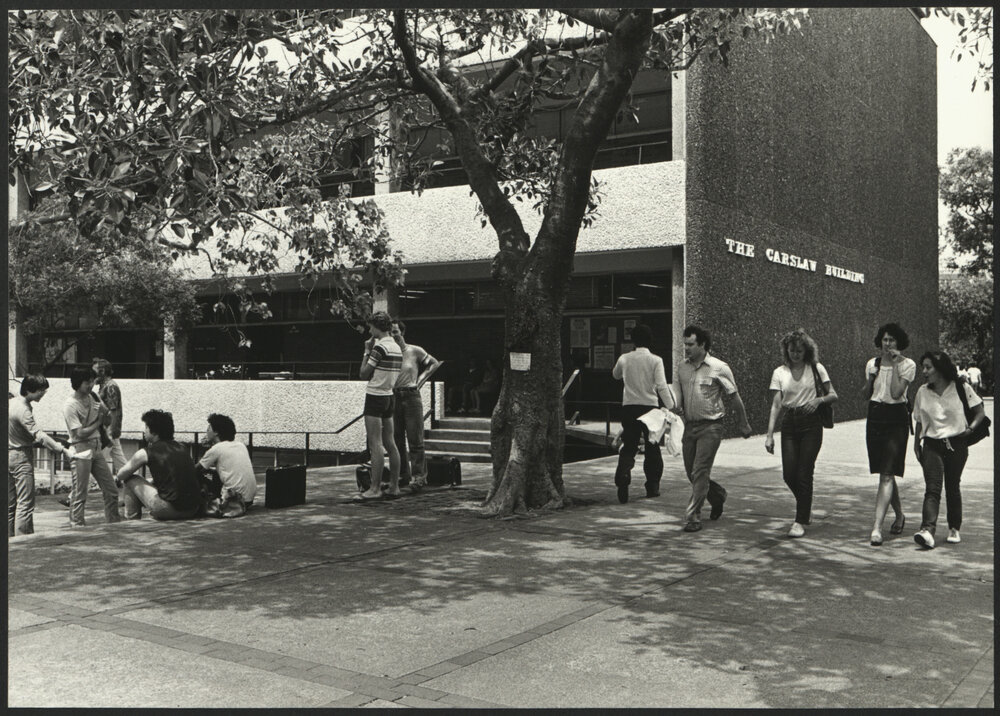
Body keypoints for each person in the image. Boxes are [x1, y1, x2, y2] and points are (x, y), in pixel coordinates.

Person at [675, 325, 752, 532]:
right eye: (685, 345)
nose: (687, 349)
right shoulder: (682, 368)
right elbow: (678, 397)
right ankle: (717, 496)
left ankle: (693, 517)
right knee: (692, 473)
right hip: (689, 427)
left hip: (711, 427)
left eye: (691, 344)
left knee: (700, 471)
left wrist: (743, 423)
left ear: (702, 344)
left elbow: (734, 397)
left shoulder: (719, 367)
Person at [764, 329, 839, 538]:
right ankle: (805, 507)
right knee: (789, 474)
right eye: (792, 350)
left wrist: (818, 400)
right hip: (790, 422)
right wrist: (769, 434)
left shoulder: (816, 369)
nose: (796, 354)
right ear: (786, 350)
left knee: (804, 472)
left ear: (806, 350)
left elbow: (833, 395)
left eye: (800, 350)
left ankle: (799, 520)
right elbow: (776, 404)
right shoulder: (780, 372)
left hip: (811, 424)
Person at [911, 351, 986, 549]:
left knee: (952, 486)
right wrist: (916, 442)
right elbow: (919, 419)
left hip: (957, 445)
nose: (924, 371)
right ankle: (927, 531)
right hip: (931, 444)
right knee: (932, 488)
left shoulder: (961, 387)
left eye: (928, 367)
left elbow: (980, 411)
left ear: (940, 368)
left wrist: (970, 429)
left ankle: (954, 527)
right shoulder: (922, 391)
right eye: (923, 367)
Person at [863, 322, 915, 546]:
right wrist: (871, 378)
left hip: (896, 419)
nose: (887, 344)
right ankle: (900, 515)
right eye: (884, 340)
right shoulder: (872, 364)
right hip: (875, 416)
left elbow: (895, 393)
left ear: (899, 342)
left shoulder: (908, 365)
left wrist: (894, 366)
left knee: (887, 473)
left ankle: (876, 528)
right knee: (886, 472)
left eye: (892, 340)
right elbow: (866, 394)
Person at [611, 324, 675, 503]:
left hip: (629, 407)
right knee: (652, 447)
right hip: (650, 408)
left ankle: (623, 474)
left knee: (629, 445)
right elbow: (662, 385)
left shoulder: (624, 358)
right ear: (650, 340)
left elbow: (615, 375)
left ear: (633, 340)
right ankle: (652, 485)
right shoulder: (656, 360)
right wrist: (670, 406)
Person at [9, 374, 75, 536]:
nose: (43, 394)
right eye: (41, 391)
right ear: (30, 390)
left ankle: (10, 543)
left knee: (9, 505)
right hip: (21, 457)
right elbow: (39, 435)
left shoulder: (10, 403)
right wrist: (62, 450)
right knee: (25, 504)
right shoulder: (23, 409)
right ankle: (25, 543)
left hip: (7, 454)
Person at [115, 409, 202, 520]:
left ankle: (132, 521)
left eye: (146, 427)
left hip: (169, 509)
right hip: (193, 509)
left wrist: (117, 478)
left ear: (154, 431)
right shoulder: (182, 447)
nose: (144, 431)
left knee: (130, 479)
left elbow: (122, 475)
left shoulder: (147, 452)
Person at [63, 366, 121, 527]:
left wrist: (106, 415)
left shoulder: (94, 397)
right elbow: (79, 433)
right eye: (86, 382)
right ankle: (77, 525)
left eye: (92, 382)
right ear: (77, 383)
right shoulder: (70, 405)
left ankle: (114, 524)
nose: (90, 385)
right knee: (80, 493)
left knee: (111, 490)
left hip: (96, 447)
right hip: (80, 449)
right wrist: (99, 421)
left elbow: (107, 419)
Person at [391, 319, 441, 492]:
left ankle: (419, 477)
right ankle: (402, 474)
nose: (393, 335)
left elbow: (434, 363)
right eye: (390, 332)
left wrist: (419, 381)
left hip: (411, 396)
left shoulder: (414, 350)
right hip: (394, 395)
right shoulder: (389, 352)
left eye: (395, 331)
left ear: (402, 332)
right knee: (397, 438)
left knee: (415, 439)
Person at [357, 311, 402, 499]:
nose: (369, 330)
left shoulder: (379, 347)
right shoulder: (397, 347)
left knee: (375, 443)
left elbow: (364, 373)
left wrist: (367, 350)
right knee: (390, 443)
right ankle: (394, 486)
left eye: (370, 327)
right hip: (389, 395)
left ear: (376, 327)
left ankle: (374, 489)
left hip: (375, 395)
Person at [196, 413, 257, 515]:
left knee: (199, 475)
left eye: (209, 428)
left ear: (216, 432)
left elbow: (196, 469)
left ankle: (201, 502)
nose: (207, 431)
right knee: (213, 473)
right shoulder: (240, 445)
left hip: (231, 499)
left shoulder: (216, 449)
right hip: (248, 500)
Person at [92, 358, 127, 509]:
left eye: (95, 371)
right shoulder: (105, 386)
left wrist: (110, 432)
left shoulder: (111, 386)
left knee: (94, 461)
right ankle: (129, 495)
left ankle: (73, 496)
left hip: (108, 431)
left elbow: (113, 411)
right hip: (108, 430)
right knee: (123, 465)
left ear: (102, 371)